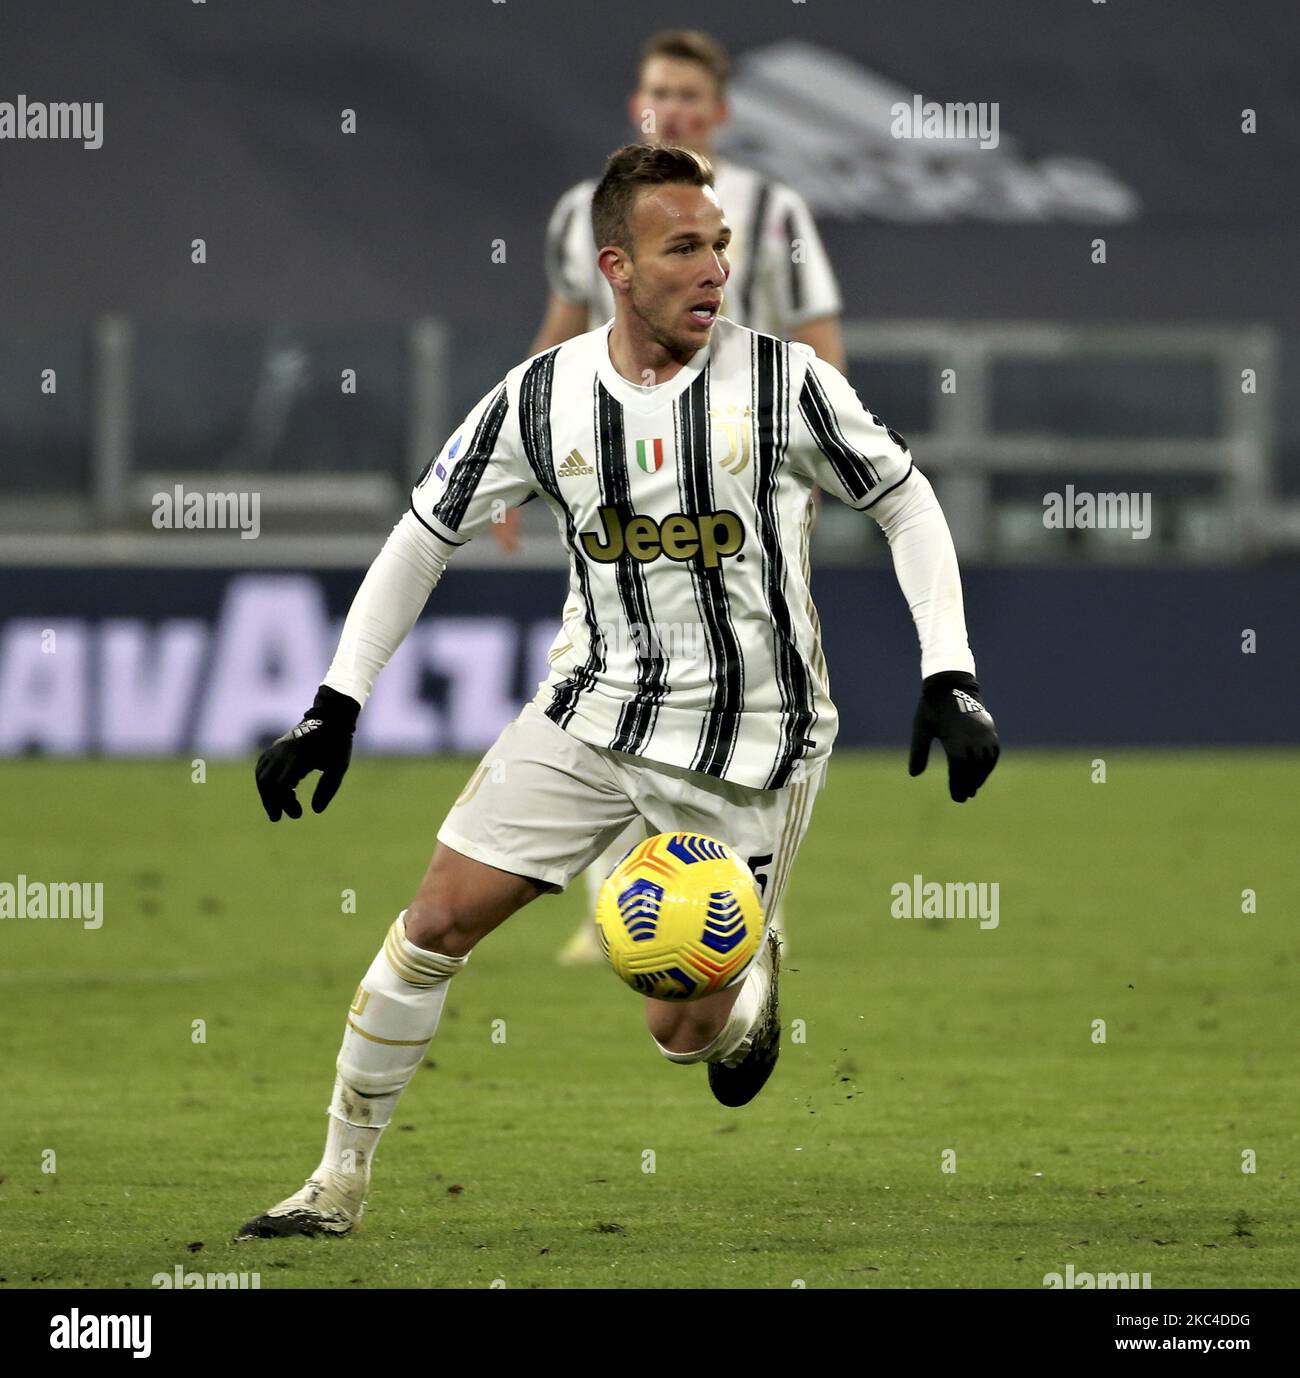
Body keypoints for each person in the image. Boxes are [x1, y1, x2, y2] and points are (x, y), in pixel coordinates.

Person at [240, 144, 998, 1239]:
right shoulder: (543, 396)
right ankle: (335, 1182)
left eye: (720, 247)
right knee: (434, 919)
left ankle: (750, 977)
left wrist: (949, 670)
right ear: (616, 266)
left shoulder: (784, 384)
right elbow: (422, 537)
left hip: (752, 741)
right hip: (591, 710)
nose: (712, 271)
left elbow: (906, 502)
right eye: (682, 248)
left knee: (682, 1036)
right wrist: (335, 701)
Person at [513, 28, 849, 963]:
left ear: (722, 112)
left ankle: (747, 901)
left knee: (746, 678)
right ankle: (622, 903)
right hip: (614, 483)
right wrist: (514, 463)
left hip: (741, 489)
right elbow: (560, 334)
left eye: (694, 96)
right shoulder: (586, 212)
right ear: (638, 105)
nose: (677, 108)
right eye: (661, 91)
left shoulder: (772, 210)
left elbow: (817, 338)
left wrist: (821, 457)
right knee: (602, 667)